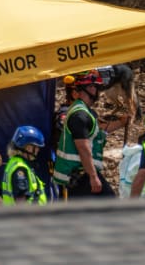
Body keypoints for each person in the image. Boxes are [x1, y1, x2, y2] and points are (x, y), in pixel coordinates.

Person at [52, 70, 126, 198]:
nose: (96, 91)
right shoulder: (80, 114)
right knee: (111, 206)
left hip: (80, 174)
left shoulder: (84, 112)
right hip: (81, 175)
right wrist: (93, 177)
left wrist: (122, 123)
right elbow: (83, 148)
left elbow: (100, 130)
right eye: (94, 87)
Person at [1, 126, 48, 206]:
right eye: (36, 147)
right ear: (28, 147)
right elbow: (20, 200)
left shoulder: (15, 163)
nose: (38, 150)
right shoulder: (20, 169)